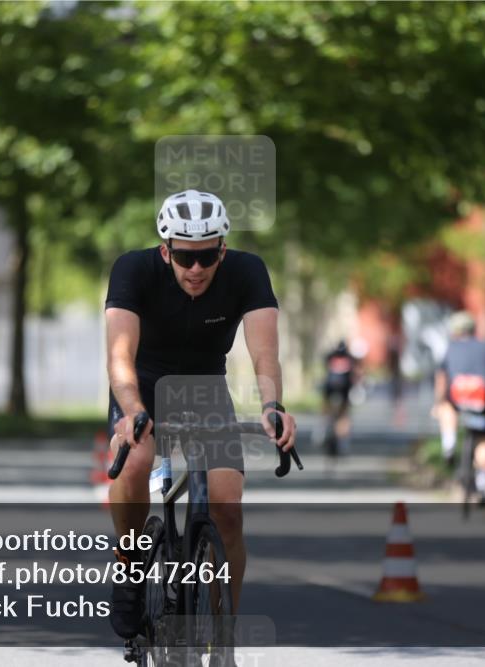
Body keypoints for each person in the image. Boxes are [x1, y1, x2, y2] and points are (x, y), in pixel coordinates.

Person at [104, 189, 297, 639]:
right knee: (135, 461)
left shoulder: (247, 271)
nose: (196, 269)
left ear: (222, 251)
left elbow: (265, 354)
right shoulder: (133, 270)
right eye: (184, 257)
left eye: (207, 257)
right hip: (143, 386)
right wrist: (132, 411)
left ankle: (221, 636)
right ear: (165, 250)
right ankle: (130, 563)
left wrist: (272, 407)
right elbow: (119, 357)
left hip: (205, 387)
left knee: (227, 508)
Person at [431, 311, 485, 505]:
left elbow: (441, 378)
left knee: (447, 408)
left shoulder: (451, 348)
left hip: (458, 394)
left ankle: (449, 444)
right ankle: (483, 485)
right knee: (484, 440)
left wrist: (438, 403)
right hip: (482, 397)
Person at [320, 340, 356, 462]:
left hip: (330, 389)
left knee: (326, 409)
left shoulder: (331, 356)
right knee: (344, 415)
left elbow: (325, 370)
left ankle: (321, 429)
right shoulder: (350, 358)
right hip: (344, 390)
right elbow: (354, 375)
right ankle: (343, 442)